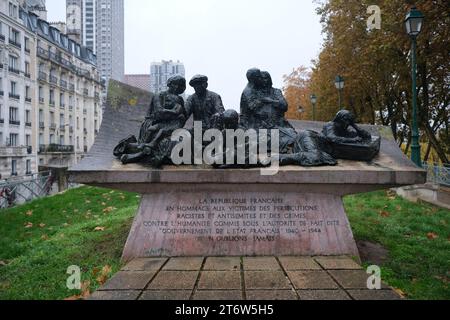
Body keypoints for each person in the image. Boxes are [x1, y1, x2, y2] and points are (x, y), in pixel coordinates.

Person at [113, 75, 187, 165]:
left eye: (181, 85)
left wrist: (177, 116)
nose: (178, 87)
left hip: (170, 125)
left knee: (170, 141)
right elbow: (158, 113)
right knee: (157, 134)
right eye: (176, 84)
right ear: (170, 84)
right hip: (152, 123)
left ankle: (137, 153)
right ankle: (133, 149)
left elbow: (183, 115)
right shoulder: (159, 95)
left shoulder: (179, 99)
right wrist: (174, 113)